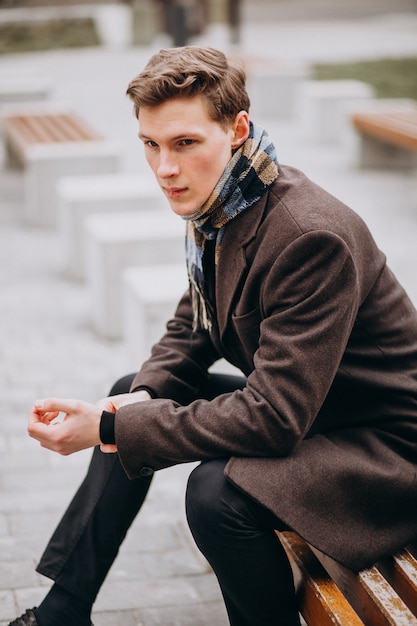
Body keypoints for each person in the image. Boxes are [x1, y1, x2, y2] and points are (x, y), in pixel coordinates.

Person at [9, 46, 417, 626]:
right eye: (150, 145)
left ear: (237, 129)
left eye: (184, 144)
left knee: (215, 493)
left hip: (381, 449)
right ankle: (63, 610)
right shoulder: (225, 207)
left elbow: (275, 419)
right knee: (130, 392)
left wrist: (107, 426)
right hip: (317, 413)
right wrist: (134, 403)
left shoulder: (308, 236)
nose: (164, 169)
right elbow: (192, 328)